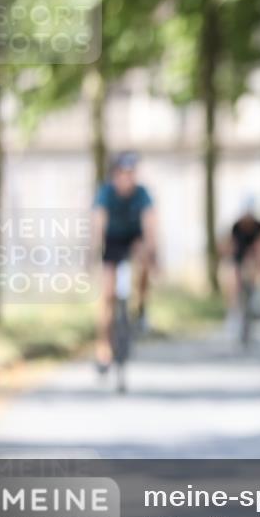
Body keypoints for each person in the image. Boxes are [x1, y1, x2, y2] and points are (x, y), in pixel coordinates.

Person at [91, 151, 157, 371]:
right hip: (112, 242)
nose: (128, 179)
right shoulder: (106, 193)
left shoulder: (142, 193)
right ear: (115, 174)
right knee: (107, 296)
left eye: (132, 174)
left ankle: (141, 307)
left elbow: (150, 222)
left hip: (134, 239)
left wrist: (152, 249)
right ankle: (103, 348)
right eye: (124, 174)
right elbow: (98, 221)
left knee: (144, 260)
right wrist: (94, 248)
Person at [221, 195, 260, 326]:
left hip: (254, 255)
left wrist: (259, 260)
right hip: (239, 255)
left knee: (258, 268)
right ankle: (233, 311)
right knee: (232, 278)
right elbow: (230, 245)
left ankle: (257, 298)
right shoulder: (236, 226)